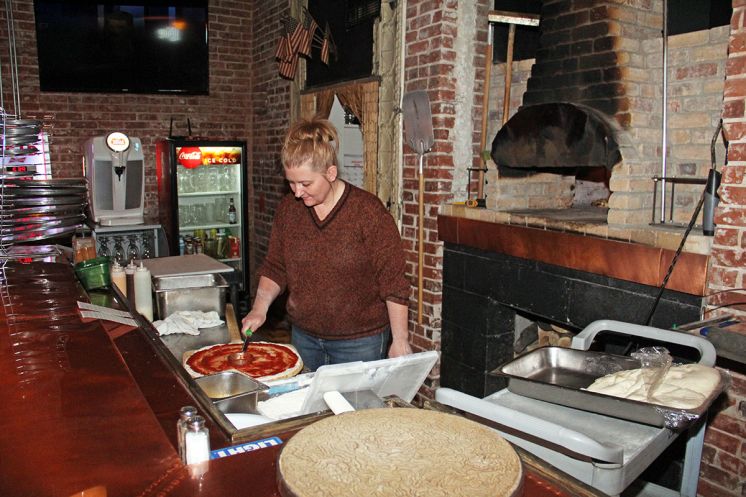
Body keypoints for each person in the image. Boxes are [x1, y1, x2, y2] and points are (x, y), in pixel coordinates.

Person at [241, 116, 412, 370]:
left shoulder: (368, 213)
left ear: (330, 173)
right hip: (304, 337)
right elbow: (276, 266)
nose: (297, 192)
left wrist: (400, 340)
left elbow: (393, 281)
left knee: (355, 410)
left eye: (305, 183)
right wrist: (259, 308)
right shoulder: (289, 210)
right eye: (291, 183)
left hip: (360, 342)